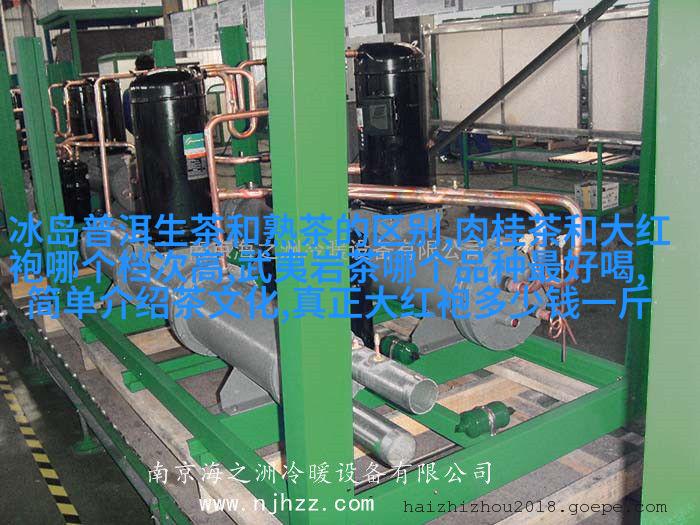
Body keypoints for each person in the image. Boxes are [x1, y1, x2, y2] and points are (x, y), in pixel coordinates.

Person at [123, 54, 155, 133]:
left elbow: (128, 120)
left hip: (142, 136)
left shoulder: (129, 93)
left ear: (136, 69)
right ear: (153, 68)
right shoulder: (160, 88)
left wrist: (139, 134)